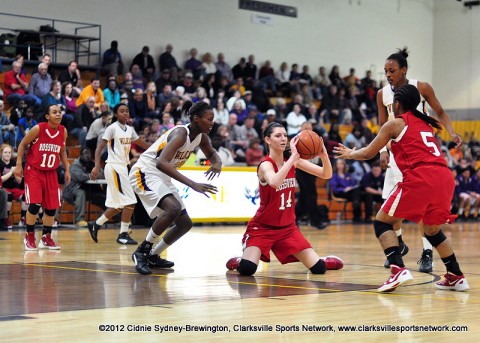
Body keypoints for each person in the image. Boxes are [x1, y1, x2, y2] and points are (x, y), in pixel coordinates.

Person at [334, 84, 469, 292]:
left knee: (382, 222)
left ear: (396, 104)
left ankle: (398, 269)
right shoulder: (425, 124)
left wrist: (350, 154)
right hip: (444, 178)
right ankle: (456, 275)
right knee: (433, 231)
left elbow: (369, 152)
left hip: (422, 178)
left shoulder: (395, 124)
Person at [377, 47, 462, 273]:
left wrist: (451, 132)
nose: (388, 75)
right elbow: (381, 125)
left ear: (404, 69)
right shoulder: (382, 94)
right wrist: (382, 151)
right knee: (390, 206)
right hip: (397, 152)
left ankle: (426, 254)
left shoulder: (421, 87)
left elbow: (441, 112)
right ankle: (398, 245)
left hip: (420, 151)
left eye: (392, 70)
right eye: (385, 71)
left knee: (426, 208)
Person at [226, 122, 343, 276]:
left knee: (319, 269)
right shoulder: (265, 164)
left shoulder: (293, 161)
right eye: (278, 136)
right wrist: (293, 158)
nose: (283, 139)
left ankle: (320, 260)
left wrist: (323, 155)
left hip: (287, 228)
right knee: (248, 269)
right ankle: (241, 260)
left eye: (285, 135)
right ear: (268, 140)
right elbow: (274, 182)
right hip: (263, 227)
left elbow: (326, 174)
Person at [129, 100, 222, 275]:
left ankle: (153, 255)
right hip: (145, 171)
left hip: (161, 176)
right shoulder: (180, 133)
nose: (212, 122)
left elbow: (212, 154)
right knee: (173, 208)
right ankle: (141, 252)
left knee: (184, 224)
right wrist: (192, 184)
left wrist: (217, 162)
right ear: (196, 119)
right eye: (209, 119)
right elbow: (161, 163)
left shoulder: (201, 137)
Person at [88, 103, 150, 245]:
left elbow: (141, 143)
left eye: (127, 111)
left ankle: (96, 224)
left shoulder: (130, 129)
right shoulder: (112, 128)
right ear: (116, 114)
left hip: (123, 167)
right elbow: (99, 148)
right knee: (130, 201)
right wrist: (97, 166)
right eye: (121, 111)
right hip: (114, 167)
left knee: (119, 205)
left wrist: (159, 147)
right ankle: (122, 234)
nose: (125, 113)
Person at [14, 104, 71, 250]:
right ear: (47, 116)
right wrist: (19, 165)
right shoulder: (38, 128)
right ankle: (30, 235)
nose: (58, 114)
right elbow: (22, 145)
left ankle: (46, 237)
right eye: (54, 112)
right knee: (35, 204)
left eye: (59, 112)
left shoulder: (63, 131)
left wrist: (67, 169)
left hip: (51, 172)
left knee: (52, 207)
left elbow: (62, 152)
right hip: (34, 170)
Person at [63, 148, 106, 228]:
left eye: (89, 153)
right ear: (81, 155)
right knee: (81, 193)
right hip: (72, 190)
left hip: (88, 189)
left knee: (101, 196)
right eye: (85, 153)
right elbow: (80, 177)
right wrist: (92, 175)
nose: (87, 155)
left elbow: (102, 174)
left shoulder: (92, 164)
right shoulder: (76, 164)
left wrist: (99, 174)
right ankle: (79, 219)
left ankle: (116, 218)